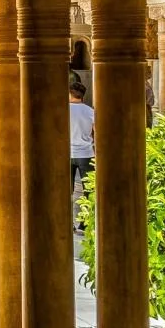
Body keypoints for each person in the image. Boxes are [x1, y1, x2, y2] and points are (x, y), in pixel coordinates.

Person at [69, 81, 96, 224]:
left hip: (67, 154)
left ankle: (68, 223)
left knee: (67, 190)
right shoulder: (90, 111)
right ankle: (85, 223)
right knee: (89, 190)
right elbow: (96, 132)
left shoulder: (63, 110)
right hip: (86, 154)